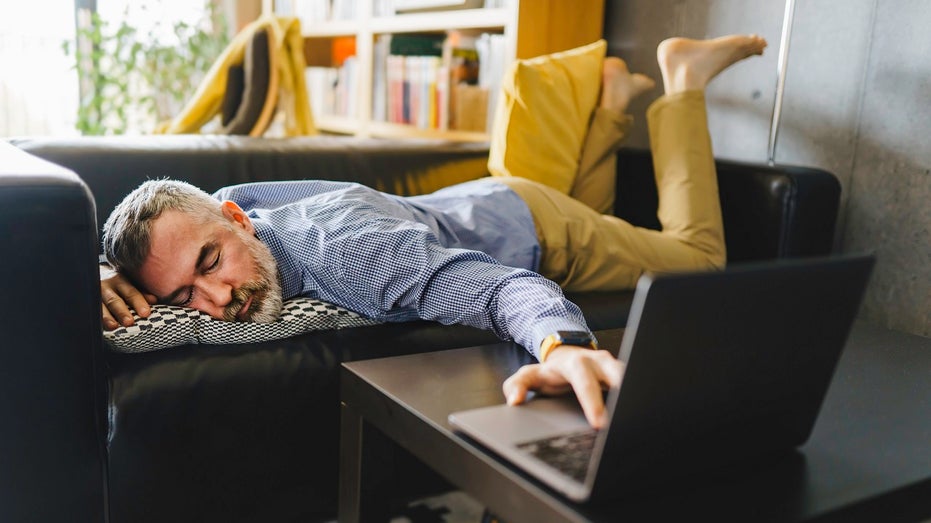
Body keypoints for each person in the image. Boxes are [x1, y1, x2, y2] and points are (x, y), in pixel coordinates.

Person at [99, 34, 767, 429]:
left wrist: (561, 344)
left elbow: (497, 287)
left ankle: (681, 82)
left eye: (210, 263)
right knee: (591, 205)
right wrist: (97, 273)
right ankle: (612, 103)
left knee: (700, 260)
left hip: (537, 230)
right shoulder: (217, 215)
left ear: (238, 224)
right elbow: (176, 249)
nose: (215, 300)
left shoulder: (352, 253)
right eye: (184, 295)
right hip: (482, 199)